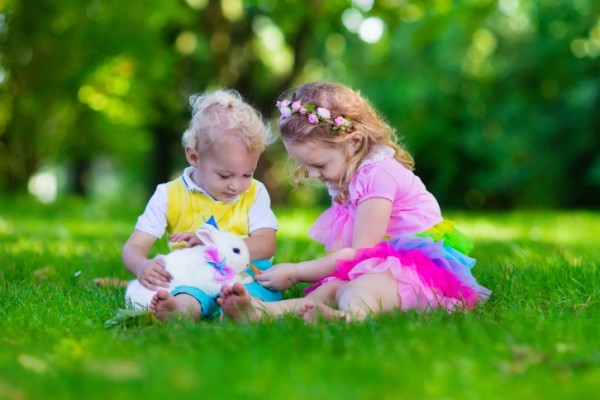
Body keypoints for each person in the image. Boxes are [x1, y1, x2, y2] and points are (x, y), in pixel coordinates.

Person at [218, 81, 491, 322]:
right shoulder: (346, 176)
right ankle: (259, 312)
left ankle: (350, 317)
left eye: (319, 164)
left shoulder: (379, 177)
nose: (312, 174)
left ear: (354, 143)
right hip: (377, 264)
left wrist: (297, 272)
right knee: (330, 289)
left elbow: (362, 252)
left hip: (415, 268)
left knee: (360, 289)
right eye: (305, 165)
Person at [122, 88, 281, 321]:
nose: (236, 186)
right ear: (194, 157)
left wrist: (219, 247)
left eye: (247, 174)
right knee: (186, 294)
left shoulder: (255, 192)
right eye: (225, 175)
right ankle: (180, 310)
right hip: (195, 277)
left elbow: (267, 244)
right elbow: (134, 247)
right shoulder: (169, 195)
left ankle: (245, 307)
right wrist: (141, 266)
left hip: (245, 274)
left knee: (264, 287)